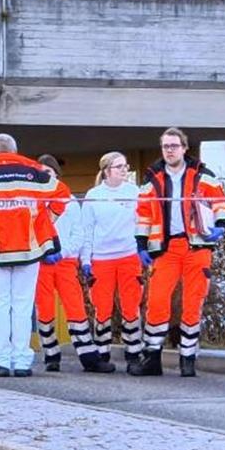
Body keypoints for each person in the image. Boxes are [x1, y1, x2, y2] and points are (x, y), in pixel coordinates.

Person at [0, 133, 69, 378]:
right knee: (23, 306)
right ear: (15, 151)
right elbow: (62, 195)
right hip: (29, 250)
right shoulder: (34, 170)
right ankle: (22, 361)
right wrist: (46, 223)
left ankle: (1, 361)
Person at [131, 128, 225, 377]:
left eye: (174, 145)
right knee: (156, 302)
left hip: (197, 247)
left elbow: (221, 202)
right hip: (165, 249)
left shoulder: (203, 175)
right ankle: (152, 357)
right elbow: (143, 213)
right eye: (166, 146)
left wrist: (221, 226)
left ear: (185, 148)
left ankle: (188, 359)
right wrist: (141, 243)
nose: (170, 150)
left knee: (193, 301)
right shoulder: (152, 178)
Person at [33, 154, 111, 373]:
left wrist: (61, 252)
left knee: (75, 308)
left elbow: (79, 233)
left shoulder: (70, 201)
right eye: (41, 172)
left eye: (48, 172)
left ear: (56, 174)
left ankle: (88, 357)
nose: (45, 176)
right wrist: (43, 252)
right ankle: (51, 354)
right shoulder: (33, 201)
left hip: (65, 262)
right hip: (41, 264)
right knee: (44, 309)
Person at [80, 152, 144, 374]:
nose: (124, 170)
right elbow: (87, 230)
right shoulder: (94, 195)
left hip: (128, 255)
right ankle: (102, 354)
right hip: (101, 258)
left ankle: (134, 354)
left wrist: (143, 249)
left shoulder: (135, 193)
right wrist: (85, 260)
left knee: (131, 306)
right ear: (107, 171)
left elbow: (142, 224)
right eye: (119, 167)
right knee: (102, 307)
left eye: (125, 166)